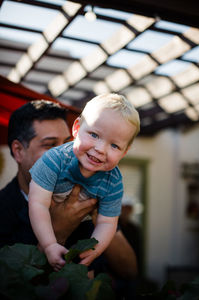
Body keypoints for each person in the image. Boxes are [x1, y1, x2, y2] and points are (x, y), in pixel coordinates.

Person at [0, 99, 138, 284]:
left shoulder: (99, 183)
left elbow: (129, 271)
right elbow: (10, 283)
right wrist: (58, 232)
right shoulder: (3, 209)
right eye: (50, 144)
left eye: (67, 142)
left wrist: (99, 219)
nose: (63, 153)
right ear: (18, 151)